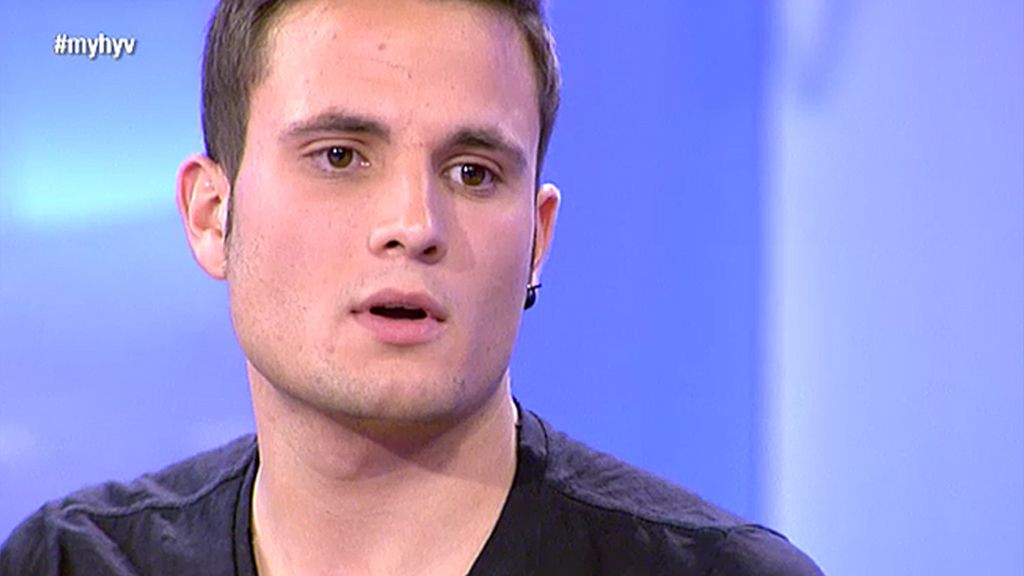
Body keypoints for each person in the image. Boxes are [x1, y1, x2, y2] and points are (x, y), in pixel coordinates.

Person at [0, 0, 823, 574]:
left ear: (537, 240)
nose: (414, 224)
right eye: (340, 156)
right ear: (212, 215)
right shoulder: (69, 562)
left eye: (473, 172)